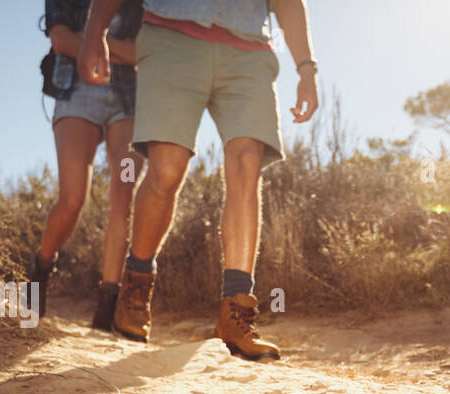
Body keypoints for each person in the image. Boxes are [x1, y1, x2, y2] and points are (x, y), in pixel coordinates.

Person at [77, 0, 318, 360]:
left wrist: (306, 70)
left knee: (247, 162)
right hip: (170, 38)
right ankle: (136, 288)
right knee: (166, 170)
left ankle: (236, 313)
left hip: (249, 49)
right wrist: (95, 31)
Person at [29, 0, 146, 331]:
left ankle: (107, 305)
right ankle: (41, 266)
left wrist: (93, 44)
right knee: (72, 199)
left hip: (129, 97)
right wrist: (116, 48)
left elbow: (146, 52)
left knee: (123, 198)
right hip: (76, 94)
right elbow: (61, 40)